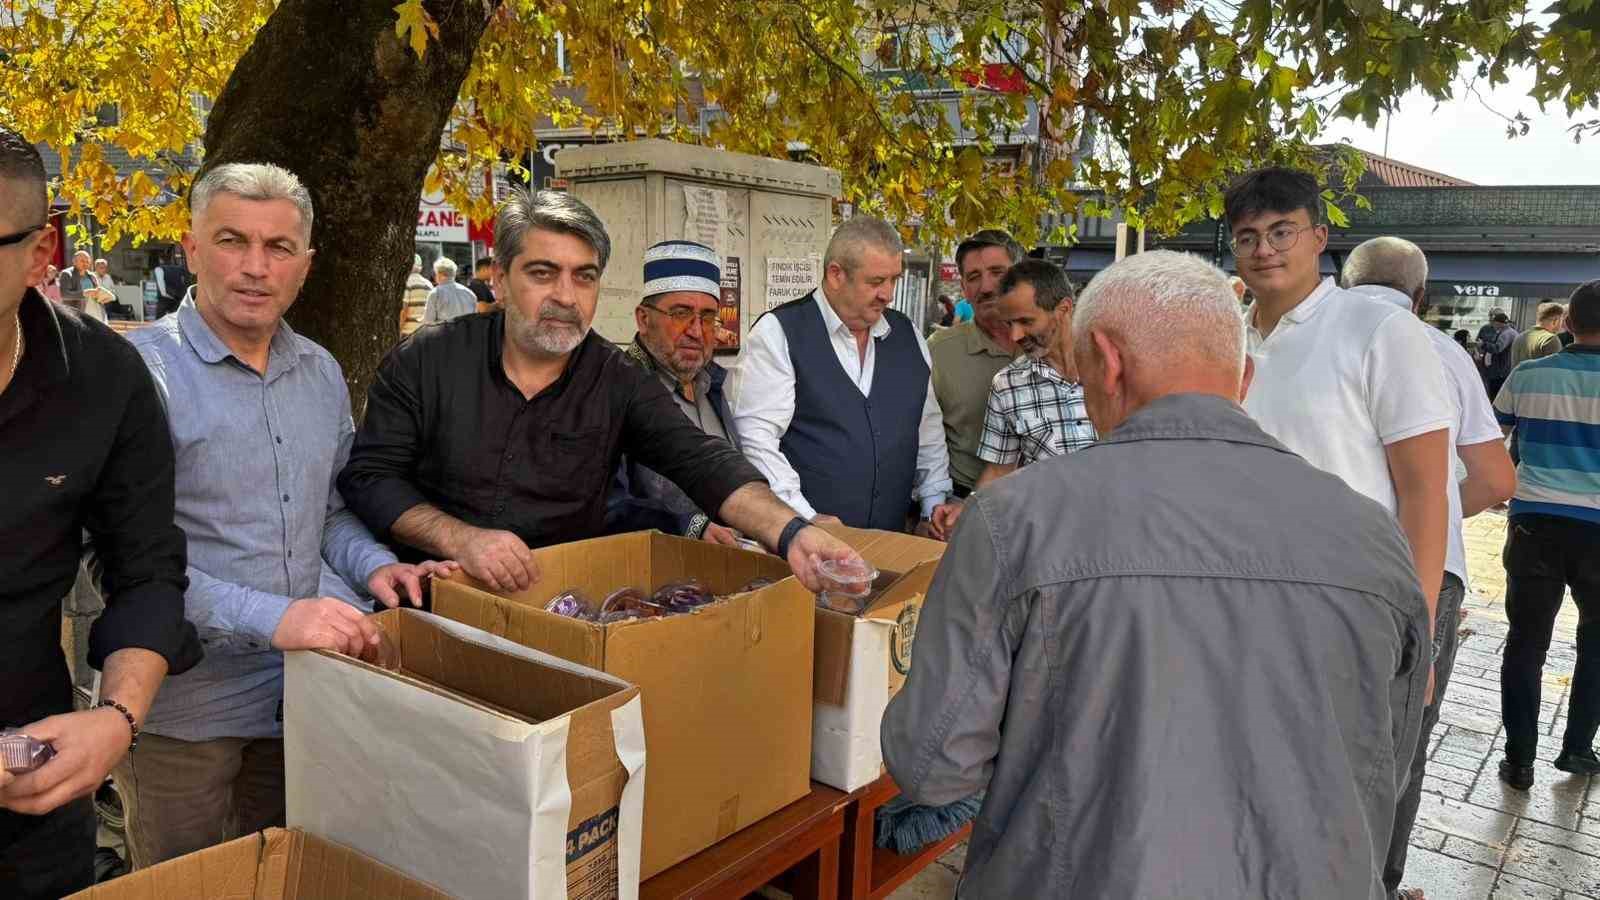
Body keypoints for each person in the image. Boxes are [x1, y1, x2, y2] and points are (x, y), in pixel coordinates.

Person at [881, 250, 1432, 898]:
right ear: (1245, 378)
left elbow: (934, 766)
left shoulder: (1016, 521)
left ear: (1107, 363)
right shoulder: (1373, 536)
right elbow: (1386, 760)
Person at [115, 163, 451, 870]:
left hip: (300, 697)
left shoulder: (321, 372)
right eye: (233, 241)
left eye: (278, 247)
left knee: (285, 876)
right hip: (184, 713)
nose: (255, 268)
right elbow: (122, 560)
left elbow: (327, 512)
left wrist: (380, 567)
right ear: (192, 248)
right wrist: (273, 616)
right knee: (191, 889)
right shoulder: (140, 377)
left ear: (306, 264)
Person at [339, 189, 862, 594]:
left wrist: (792, 532)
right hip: (433, 601)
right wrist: (462, 538)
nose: (565, 296)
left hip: (556, 607)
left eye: (584, 277)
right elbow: (369, 477)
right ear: (499, 280)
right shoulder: (427, 360)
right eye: (543, 273)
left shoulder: (615, 379)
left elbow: (703, 461)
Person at [0, 127, 201, 900]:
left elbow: (146, 564)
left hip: (30, 786)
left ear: (41, 251)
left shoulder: (100, 378)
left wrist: (117, 718)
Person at [1230, 167, 1452, 699]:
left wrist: (1416, 629)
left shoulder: (1379, 330)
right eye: (1248, 237)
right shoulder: (1222, 336)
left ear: (1319, 238)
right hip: (1235, 607)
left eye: (1283, 231)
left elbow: (1425, 490)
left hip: (1344, 610)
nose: (1265, 249)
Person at [1342, 236, 1518, 900]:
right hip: (1426, 569)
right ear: (1420, 296)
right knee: (1402, 736)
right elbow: (1496, 478)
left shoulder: (1303, 342)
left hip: (1325, 561)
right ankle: (1378, 885)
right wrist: (1436, 512)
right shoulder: (1439, 350)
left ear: (1344, 280)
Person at [730, 216, 957, 535]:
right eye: (876, 281)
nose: (888, 294)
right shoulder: (778, 333)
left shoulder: (908, 335)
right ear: (835, 275)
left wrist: (933, 501)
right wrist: (803, 517)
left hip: (890, 542)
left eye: (894, 280)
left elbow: (926, 427)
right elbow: (755, 439)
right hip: (801, 550)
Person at [1493, 279, 1600, 789]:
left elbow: (1495, 434)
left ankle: (1519, 760)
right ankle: (1578, 749)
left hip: (1534, 522)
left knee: (1526, 642)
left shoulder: (1529, 374)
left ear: (1569, 323)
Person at [607, 240, 746, 545]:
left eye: (708, 317)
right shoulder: (613, 390)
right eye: (681, 314)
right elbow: (610, 507)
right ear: (644, 319)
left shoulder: (714, 384)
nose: (697, 331)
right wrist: (688, 526)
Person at [974, 258, 1096, 485]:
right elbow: (999, 472)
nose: (1015, 336)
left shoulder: (1114, 367)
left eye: (1025, 321)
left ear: (1064, 309)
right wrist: (968, 512)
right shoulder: (1007, 384)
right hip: (1049, 519)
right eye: (1009, 324)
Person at [927, 229, 1022, 499]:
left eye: (998, 272)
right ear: (964, 290)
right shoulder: (940, 352)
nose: (987, 287)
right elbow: (919, 438)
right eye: (974, 277)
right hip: (961, 505)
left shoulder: (1055, 346)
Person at [422, 256, 477, 324]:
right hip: (466, 333)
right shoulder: (469, 293)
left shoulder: (435, 293)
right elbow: (474, 319)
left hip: (445, 333)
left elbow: (428, 322)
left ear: (439, 274)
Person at [1477, 310, 1518, 398]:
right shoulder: (1508, 332)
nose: (1493, 325)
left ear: (1498, 323)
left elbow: (1497, 348)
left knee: (1495, 396)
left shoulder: (1506, 334)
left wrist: (1483, 344)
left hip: (1500, 372)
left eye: (1494, 323)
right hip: (1500, 371)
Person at [1510, 302, 1565, 367]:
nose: (1562, 325)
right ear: (1555, 321)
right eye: (1562, 320)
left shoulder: (1519, 337)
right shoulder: (1551, 339)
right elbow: (1554, 371)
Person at [398, 253, 431, 336]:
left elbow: (404, 310)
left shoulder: (407, 283)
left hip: (409, 333)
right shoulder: (429, 284)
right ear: (420, 268)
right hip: (424, 332)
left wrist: (399, 329)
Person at [57, 250, 97, 316]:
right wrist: (84, 294)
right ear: (74, 262)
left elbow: (96, 292)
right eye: (82, 261)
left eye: (87, 261)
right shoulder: (66, 274)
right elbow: (64, 295)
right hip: (74, 314)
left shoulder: (92, 276)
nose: (85, 263)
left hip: (94, 313)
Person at [153, 251, 192, 318]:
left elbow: (162, 290)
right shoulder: (180, 269)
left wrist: (167, 295)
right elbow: (185, 283)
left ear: (160, 260)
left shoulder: (159, 269)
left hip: (165, 301)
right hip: (178, 300)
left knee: (160, 323)